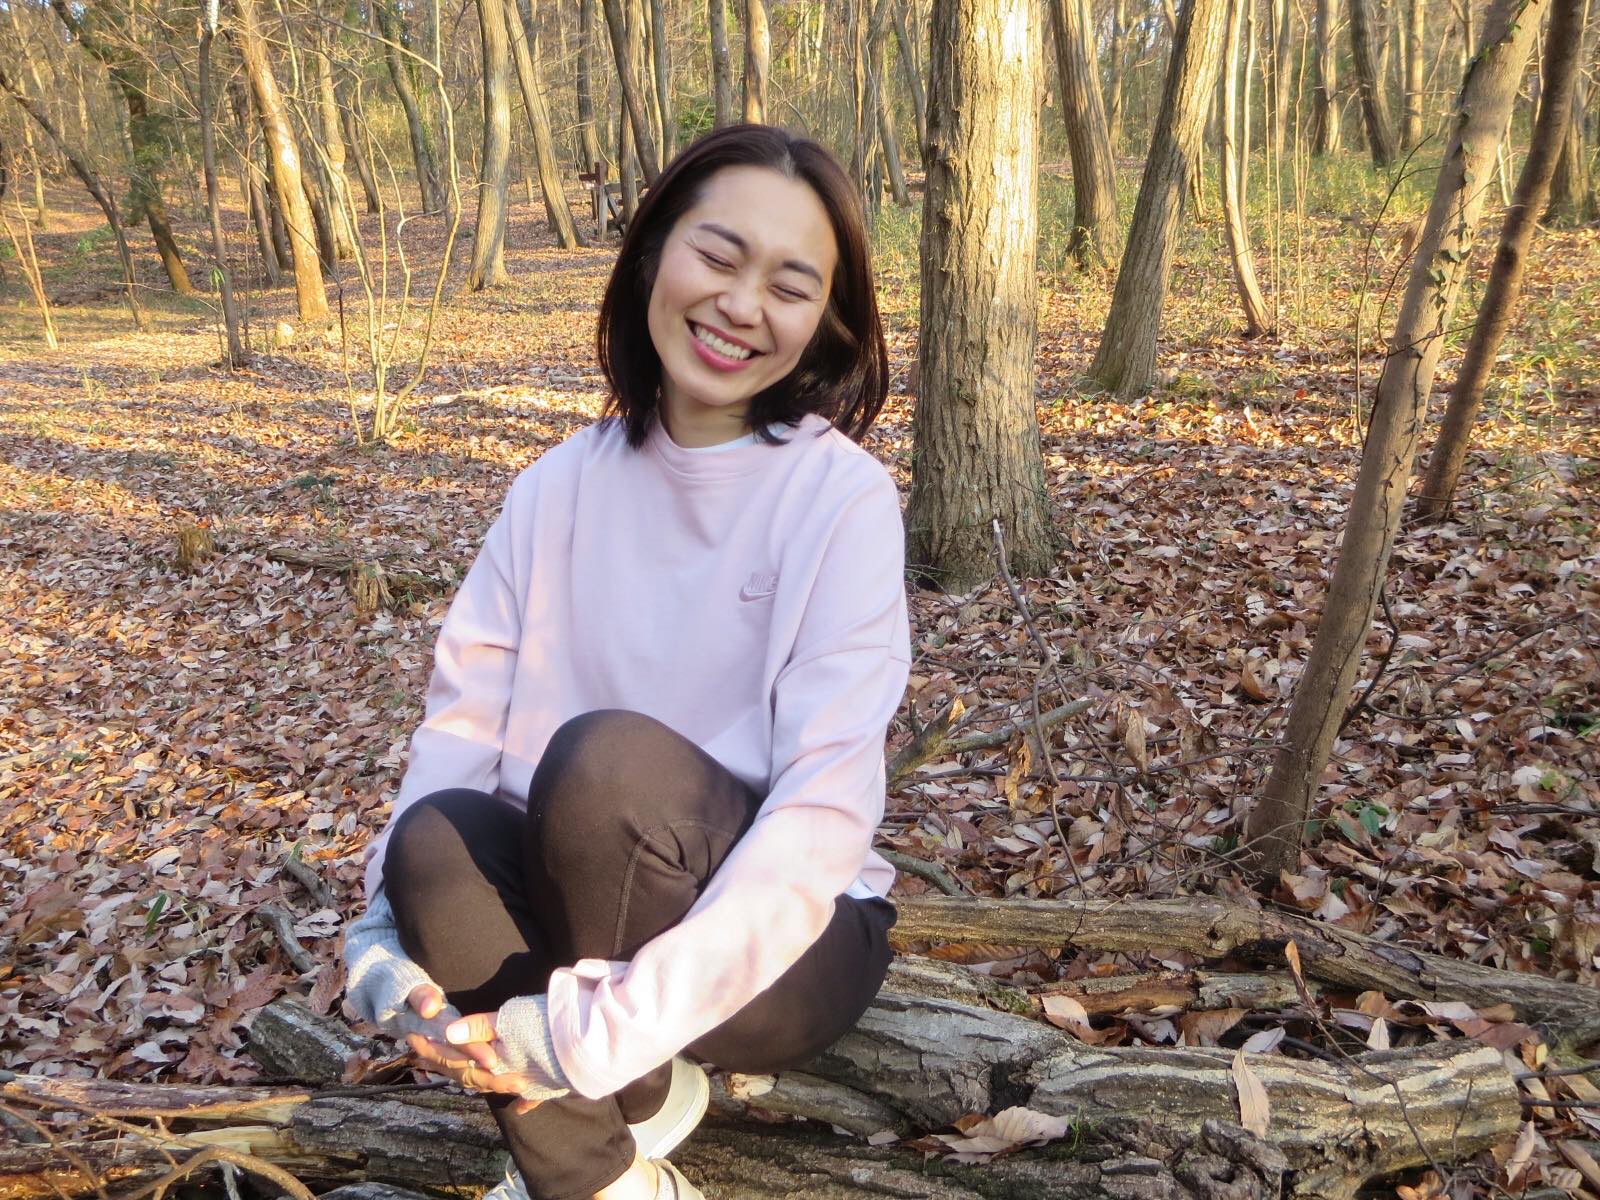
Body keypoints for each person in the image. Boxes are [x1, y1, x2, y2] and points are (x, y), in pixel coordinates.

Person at [340, 124, 911, 1200]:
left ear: (824, 321)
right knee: (433, 838)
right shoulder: (554, 488)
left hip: (788, 941)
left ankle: (624, 1070)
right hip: (574, 911)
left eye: (790, 286)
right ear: (653, 254)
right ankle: (611, 1164)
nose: (742, 305)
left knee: (604, 771)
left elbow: (822, 815)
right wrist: (382, 932)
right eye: (718, 256)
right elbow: (459, 729)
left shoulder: (840, 498)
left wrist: (586, 1037)